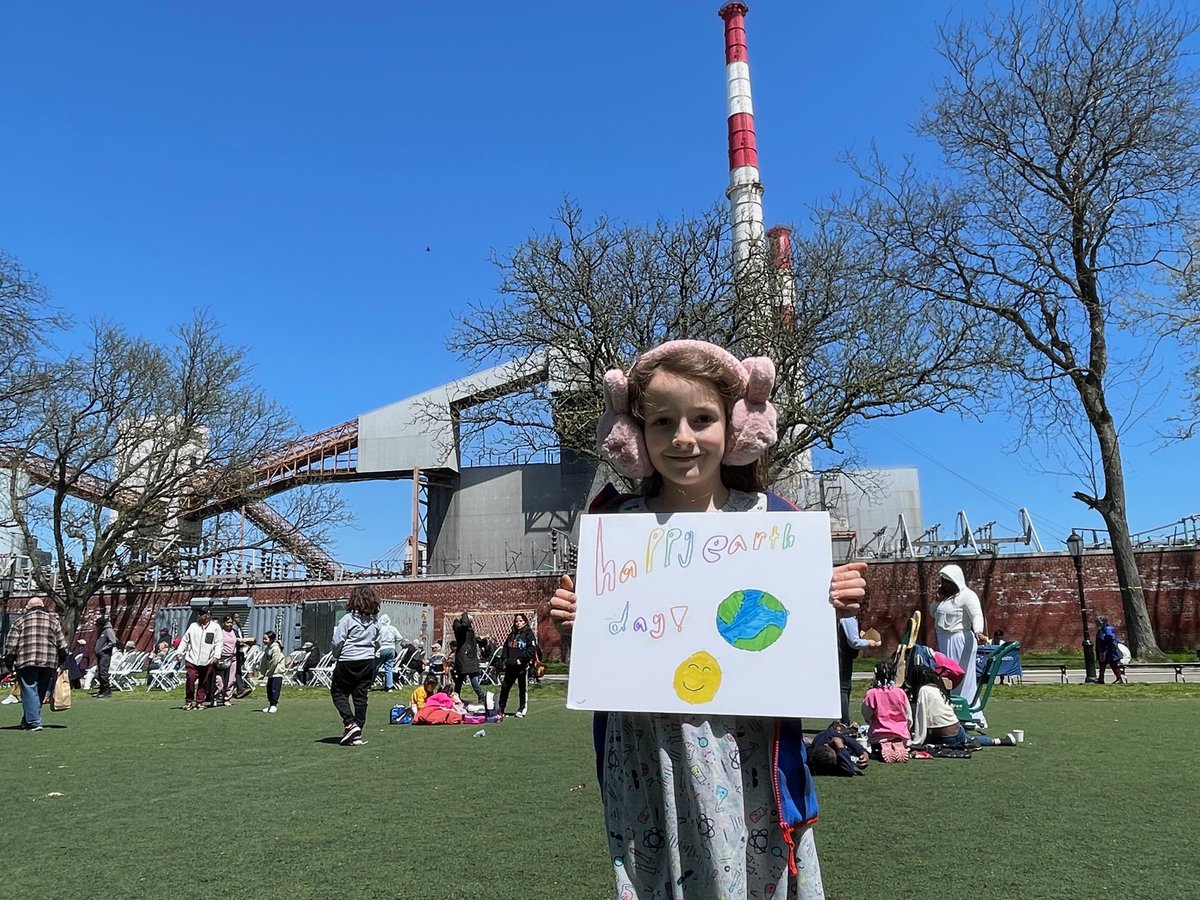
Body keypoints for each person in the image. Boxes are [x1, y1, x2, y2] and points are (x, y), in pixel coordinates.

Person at [548, 339, 869, 899]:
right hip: (649, 749)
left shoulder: (777, 524)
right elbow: (606, 654)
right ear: (635, 435)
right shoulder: (614, 525)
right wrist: (576, 622)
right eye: (662, 422)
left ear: (737, 426)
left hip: (745, 745)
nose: (682, 438)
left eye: (702, 419)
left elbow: (804, 654)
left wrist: (835, 599)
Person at [908, 664, 1015, 748]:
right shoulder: (937, 688)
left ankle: (996, 741)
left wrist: (917, 742)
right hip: (956, 731)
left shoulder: (924, 690)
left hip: (946, 737)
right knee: (968, 738)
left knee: (965, 738)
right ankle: (998, 741)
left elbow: (920, 717)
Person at [2, 598, 67, 731]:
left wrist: (9, 661)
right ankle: (27, 721)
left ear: (28, 608)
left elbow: (11, 644)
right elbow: (62, 644)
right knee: (40, 692)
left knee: (29, 690)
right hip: (49, 661)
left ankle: (34, 721)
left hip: (26, 660)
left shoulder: (21, 621)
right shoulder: (54, 621)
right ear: (43, 606)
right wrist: (61, 659)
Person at [330, 585, 381, 746]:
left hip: (347, 659)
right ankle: (358, 728)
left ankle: (350, 723)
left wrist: (336, 654)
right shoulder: (375, 621)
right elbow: (377, 642)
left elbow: (337, 641)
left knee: (338, 692)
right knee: (361, 695)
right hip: (367, 661)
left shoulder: (348, 619)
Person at [932, 564, 987, 706]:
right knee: (947, 675)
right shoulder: (945, 598)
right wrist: (937, 600)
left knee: (961, 676)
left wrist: (978, 631)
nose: (944, 585)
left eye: (947, 581)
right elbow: (934, 614)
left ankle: (968, 708)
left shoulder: (967, 595)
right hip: (944, 639)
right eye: (942, 581)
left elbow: (976, 615)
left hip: (960, 640)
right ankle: (951, 706)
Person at [860, 661, 912, 762]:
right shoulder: (900, 693)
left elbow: (866, 713)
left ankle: (884, 744)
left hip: (879, 733)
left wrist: (870, 721)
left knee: (879, 739)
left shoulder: (872, 693)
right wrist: (907, 728)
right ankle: (898, 743)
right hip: (900, 732)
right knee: (899, 736)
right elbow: (908, 715)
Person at [836, 614, 880, 725]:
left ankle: (844, 719)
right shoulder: (848, 618)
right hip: (842, 656)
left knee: (844, 688)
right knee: (844, 689)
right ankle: (845, 721)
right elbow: (854, 641)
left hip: (843, 655)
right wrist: (870, 643)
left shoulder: (849, 617)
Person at [178, 608, 222, 710]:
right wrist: (180, 652)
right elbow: (185, 639)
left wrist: (216, 656)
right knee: (191, 679)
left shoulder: (215, 627)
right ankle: (189, 701)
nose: (199, 616)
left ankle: (199, 702)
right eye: (199, 614)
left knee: (204, 682)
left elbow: (219, 643)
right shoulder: (193, 626)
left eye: (202, 614)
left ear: (208, 615)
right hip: (192, 659)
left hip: (207, 659)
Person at [498, 613, 537, 718]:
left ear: (524, 622)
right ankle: (501, 708)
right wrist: (504, 660)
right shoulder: (512, 635)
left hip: (522, 666)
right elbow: (505, 648)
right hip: (510, 666)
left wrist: (521, 660)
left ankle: (522, 709)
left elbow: (532, 650)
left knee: (522, 688)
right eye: (516, 621)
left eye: (520, 621)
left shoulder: (528, 634)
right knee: (505, 687)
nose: (518, 623)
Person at [451, 612, 486, 705]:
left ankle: (480, 695)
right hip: (464, 657)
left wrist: (482, 640)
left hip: (470, 657)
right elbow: (464, 626)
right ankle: (457, 696)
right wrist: (465, 615)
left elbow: (474, 640)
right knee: (463, 678)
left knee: (470, 677)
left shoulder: (468, 630)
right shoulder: (459, 627)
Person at [212, 615, 240, 706]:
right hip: (221, 658)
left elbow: (239, 642)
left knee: (231, 680)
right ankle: (215, 698)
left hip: (233, 658)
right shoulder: (219, 632)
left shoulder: (235, 632)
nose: (230, 624)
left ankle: (227, 699)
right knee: (218, 681)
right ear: (223, 623)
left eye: (231, 622)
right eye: (228, 622)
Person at [258, 631, 285, 713]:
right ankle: (270, 704)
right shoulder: (267, 649)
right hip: (271, 674)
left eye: (265, 639)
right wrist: (262, 673)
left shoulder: (276, 648)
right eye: (263, 639)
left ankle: (274, 705)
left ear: (271, 639)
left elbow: (274, 661)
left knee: (275, 689)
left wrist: (269, 671)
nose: (264, 641)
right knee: (269, 689)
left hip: (277, 672)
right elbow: (264, 662)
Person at [93, 614, 119, 699]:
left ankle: (107, 691)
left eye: (98, 625)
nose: (97, 627)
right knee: (100, 673)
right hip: (100, 655)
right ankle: (101, 690)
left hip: (105, 655)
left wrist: (103, 649)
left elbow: (113, 641)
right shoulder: (102, 631)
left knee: (103, 672)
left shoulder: (108, 630)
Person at [1095, 616, 1126, 684]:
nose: (1096, 624)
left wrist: (1111, 648)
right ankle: (1101, 679)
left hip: (1109, 650)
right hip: (1103, 650)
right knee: (1102, 665)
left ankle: (1119, 678)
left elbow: (1110, 638)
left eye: (1098, 622)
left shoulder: (1108, 629)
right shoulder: (1102, 629)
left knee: (1113, 664)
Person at [376, 614, 402, 692]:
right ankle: (389, 686)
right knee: (389, 668)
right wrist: (395, 643)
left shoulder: (380, 629)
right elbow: (400, 638)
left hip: (382, 648)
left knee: (375, 667)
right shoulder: (393, 628)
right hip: (391, 649)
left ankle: (369, 684)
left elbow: (376, 639)